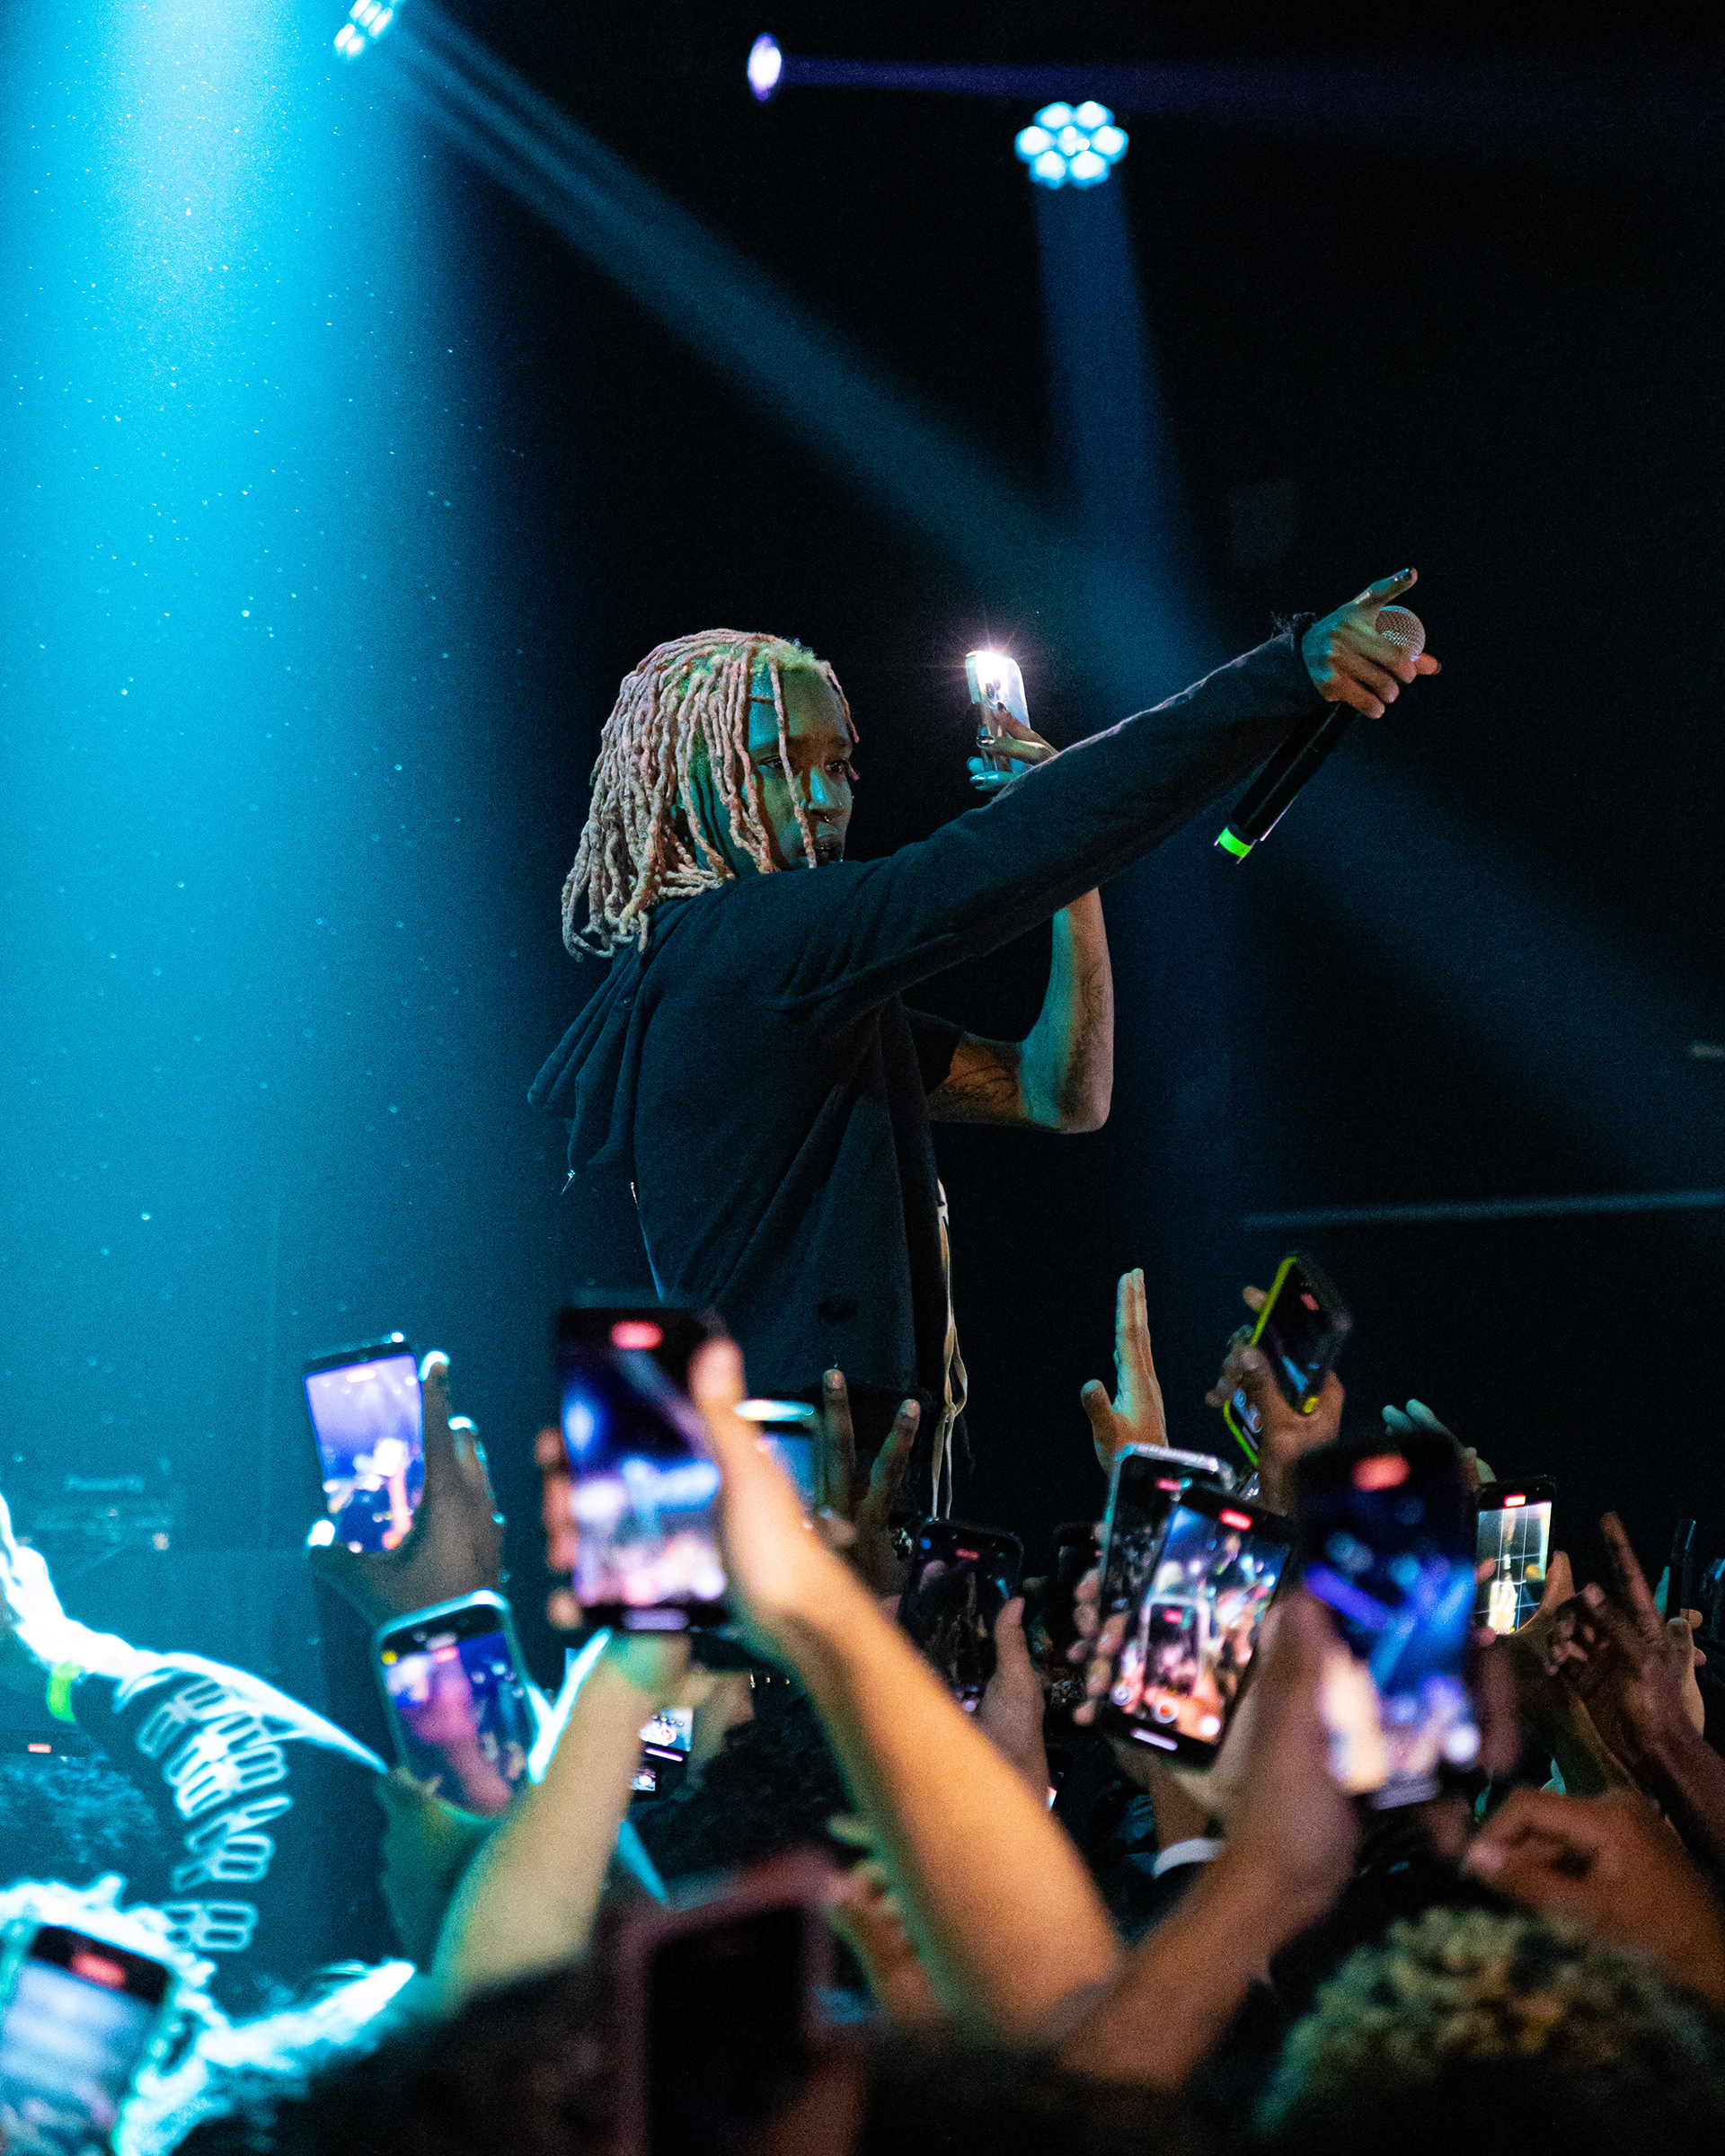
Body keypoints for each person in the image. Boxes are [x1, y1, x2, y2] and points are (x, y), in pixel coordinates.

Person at [530, 578, 1438, 1501]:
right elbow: (981, 867)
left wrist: (1070, 871)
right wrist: (1285, 674)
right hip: (793, 1492)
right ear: (684, 788)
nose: (823, 797)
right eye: (775, 763)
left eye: (839, 765)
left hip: (827, 1487)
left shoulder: (802, 1006)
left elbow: (1061, 1093)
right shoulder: (743, 947)